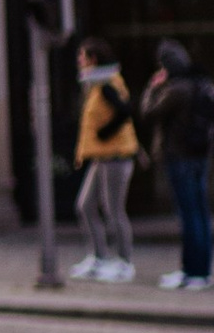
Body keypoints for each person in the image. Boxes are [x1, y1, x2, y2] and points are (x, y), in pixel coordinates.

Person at [142, 37, 214, 291]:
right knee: (201, 213)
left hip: (179, 155)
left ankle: (192, 272)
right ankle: (202, 270)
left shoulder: (176, 89)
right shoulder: (203, 84)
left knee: (189, 215)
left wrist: (153, 87)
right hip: (200, 155)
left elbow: (148, 113)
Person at [71, 35, 139, 280]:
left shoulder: (107, 83)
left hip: (116, 157)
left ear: (93, 59)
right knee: (85, 205)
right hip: (102, 158)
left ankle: (124, 262)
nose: (79, 60)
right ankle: (99, 257)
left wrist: (104, 133)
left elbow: (125, 111)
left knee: (114, 211)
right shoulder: (95, 84)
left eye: (82, 56)